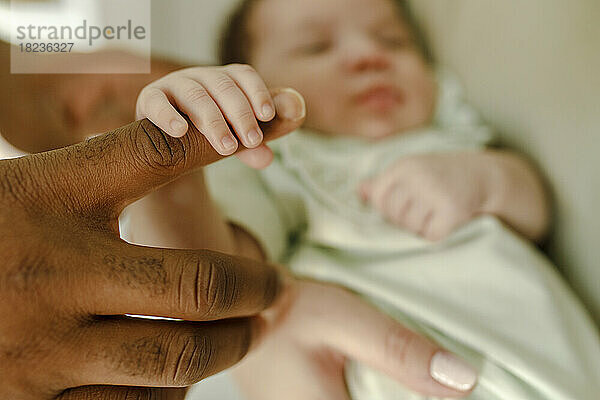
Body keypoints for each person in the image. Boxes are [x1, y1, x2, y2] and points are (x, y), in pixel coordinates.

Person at [0, 38, 474, 400]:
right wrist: (174, 171)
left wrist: (493, 180)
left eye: (394, 38)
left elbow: (532, 209)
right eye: (316, 45)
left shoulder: (453, 133)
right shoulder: (287, 169)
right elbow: (216, 266)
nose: (367, 52)